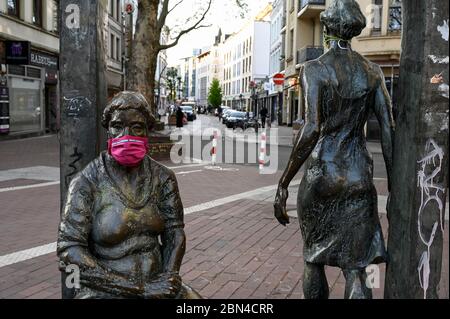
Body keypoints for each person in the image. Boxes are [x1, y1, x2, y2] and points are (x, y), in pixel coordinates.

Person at [273, 0, 394, 299]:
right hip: (358, 179)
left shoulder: (314, 69)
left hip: (322, 177)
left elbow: (311, 128)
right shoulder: (373, 72)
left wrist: (284, 182)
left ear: (326, 28)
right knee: (356, 267)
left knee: (314, 259)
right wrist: (393, 187)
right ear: (354, 29)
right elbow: (389, 130)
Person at [57, 91, 201, 299]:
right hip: (105, 290)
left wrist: (169, 278)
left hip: (157, 282)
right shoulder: (87, 183)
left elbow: (174, 232)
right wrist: (140, 290)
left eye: (136, 128)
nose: (126, 135)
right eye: (117, 127)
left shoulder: (163, 178)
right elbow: (69, 250)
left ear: (147, 132)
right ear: (108, 131)